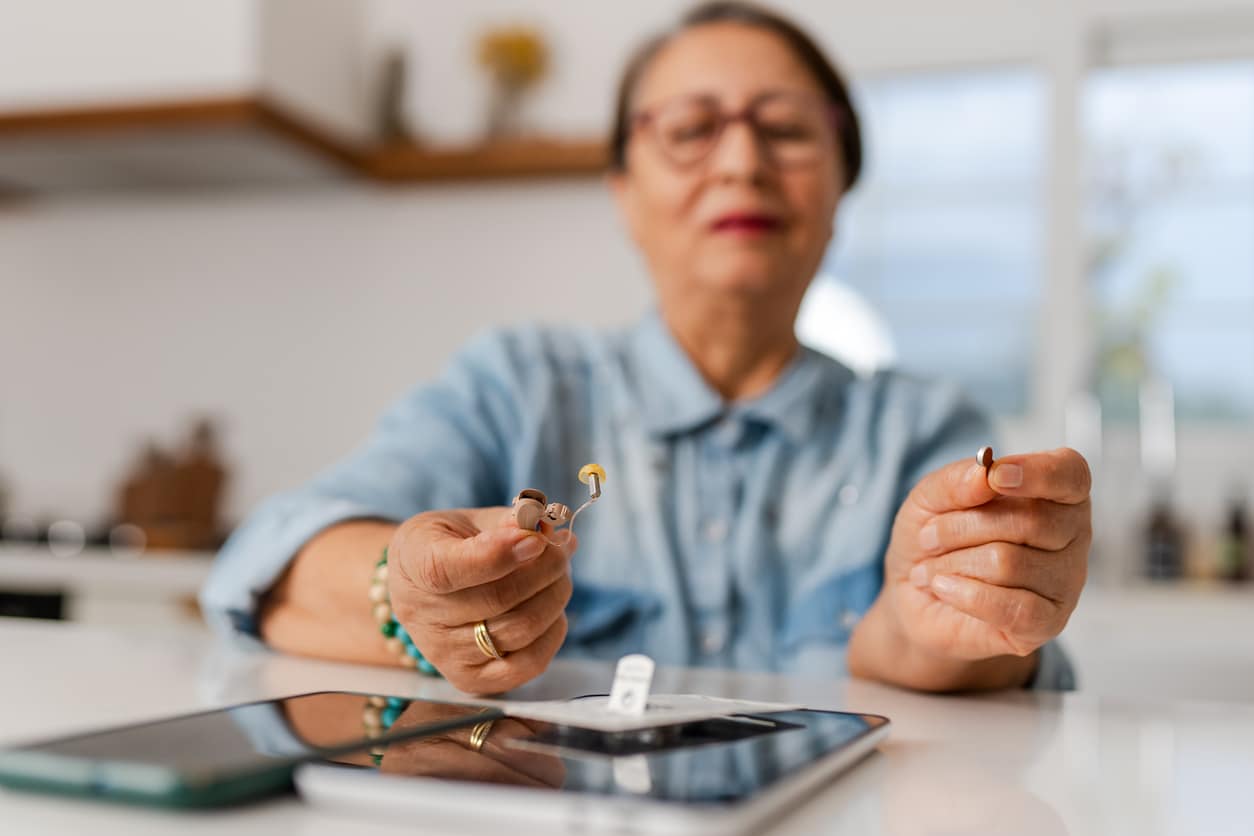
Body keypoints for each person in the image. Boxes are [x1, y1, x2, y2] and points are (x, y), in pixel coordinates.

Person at [201, 1, 1089, 696]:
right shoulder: (517, 387)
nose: (741, 161)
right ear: (624, 190)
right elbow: (268, 560)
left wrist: (952, 624)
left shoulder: (928, 429)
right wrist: (405, 594)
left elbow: (964, 663)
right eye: (692, 129)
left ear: (841, 183)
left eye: (784, 129)